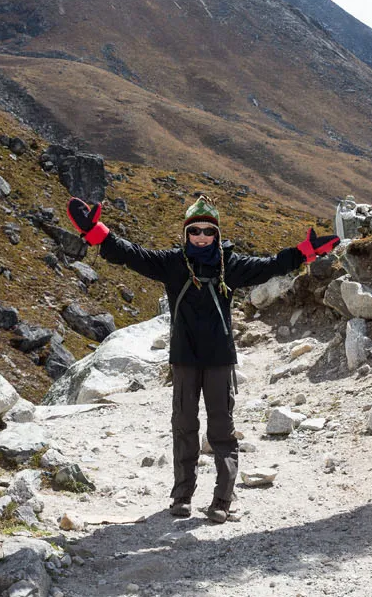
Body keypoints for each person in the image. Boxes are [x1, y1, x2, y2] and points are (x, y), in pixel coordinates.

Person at [66, 193, 339, 523]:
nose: (201, 237)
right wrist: (96, 232)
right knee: (183, 426)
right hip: (184, 358)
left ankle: (222, 500)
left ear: (217, 234)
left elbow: (271, 266)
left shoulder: (232, 266)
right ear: (186, 233)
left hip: (219, 359)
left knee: (221, 430)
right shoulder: (172, 263)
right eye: (194, 230)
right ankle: (182, 496)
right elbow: (131, 255)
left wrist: (304, 252)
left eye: (208, 231)